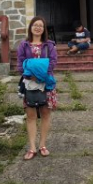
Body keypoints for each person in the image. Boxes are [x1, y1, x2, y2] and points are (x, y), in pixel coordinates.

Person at [17, 16, 58, 160]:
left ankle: (42, 145)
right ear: (31, 27)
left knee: (45, 114)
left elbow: (53, 62)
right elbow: (20, 63)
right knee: (31, 116)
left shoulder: (50, 45)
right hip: (29, 84)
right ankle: (32, 148)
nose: (38, 27)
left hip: (46, 83)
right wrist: (29, 75)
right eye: (35, 25)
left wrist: (41, 76)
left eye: (41, 25)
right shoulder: (24, 45)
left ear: (44, 29)